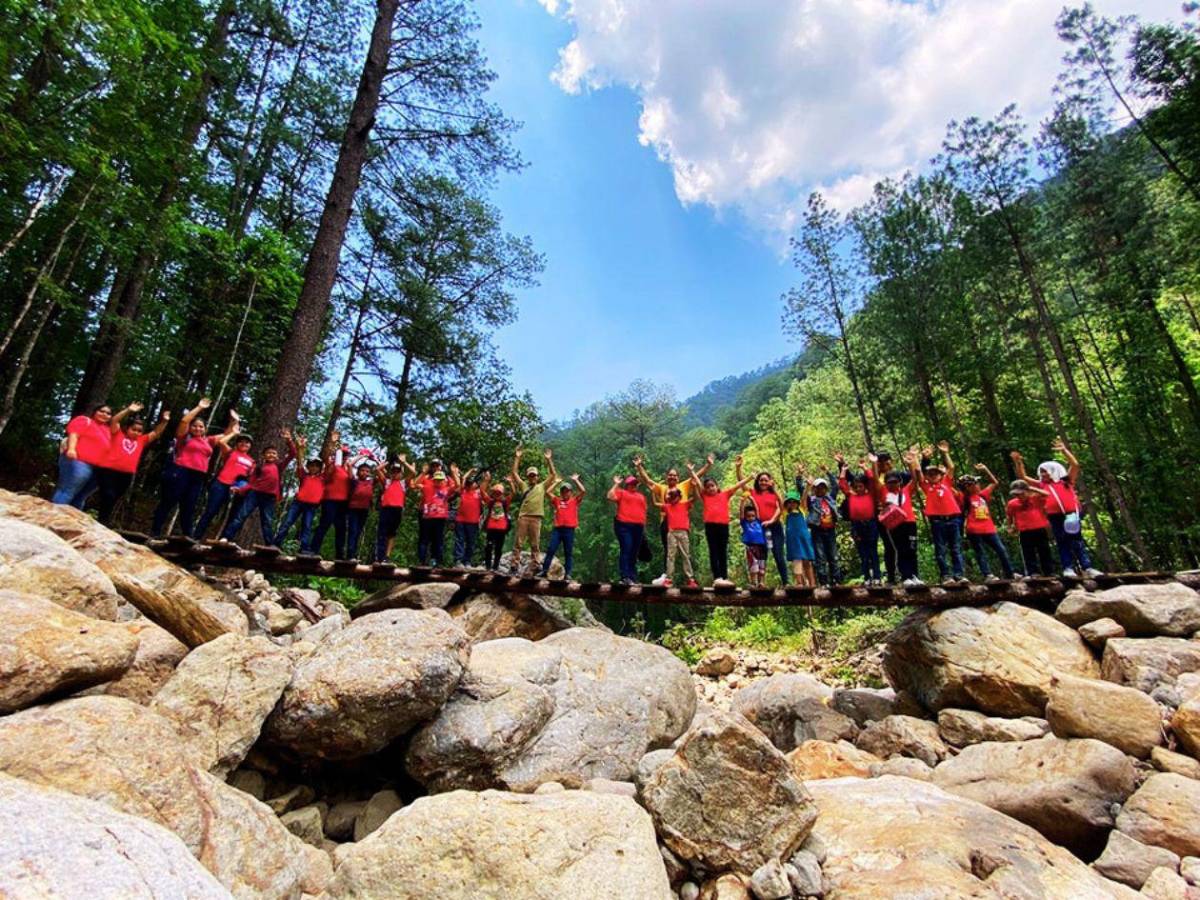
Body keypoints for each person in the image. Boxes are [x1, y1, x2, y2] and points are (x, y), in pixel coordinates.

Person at [1013, 441, 1103, 578]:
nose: (1042, 474)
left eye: (1045, 471)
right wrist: (1018, 463)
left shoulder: (1066, 481)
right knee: (1062, 541)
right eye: (1041, 472)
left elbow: (1075, 465)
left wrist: (1064, 451)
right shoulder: (1041, 485)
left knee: (1076, 540)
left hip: (1071, 514)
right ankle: (1068, 568)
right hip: (1055, 516)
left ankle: (1087, 567)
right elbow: (1023, 477)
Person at [151, 398, 232, 537]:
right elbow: (184, 421)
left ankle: (188, 536)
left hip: (198, 476)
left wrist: (234, 422)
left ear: (205, 429)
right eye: (195, 426)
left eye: (201, 427)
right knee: (169, 501)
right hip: (181, 471)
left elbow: (226, 434)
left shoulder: (208, 441)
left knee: (189, 506)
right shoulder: (184, 437)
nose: (198, 428)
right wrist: (199, 407)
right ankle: (155, 532)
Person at [636, 455, 712, 584]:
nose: (672, 477)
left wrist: (708, 465)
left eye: (675, 475)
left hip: (682, 522)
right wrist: (639, 466)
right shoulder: (662, 488)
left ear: (678, 478)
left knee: (684, 551)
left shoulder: (684, 485)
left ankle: (688, 578)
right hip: (666, 521)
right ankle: (667, 576)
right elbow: (647, 480)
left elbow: (697, 475)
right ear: (667, 477)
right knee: (668, 549)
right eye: (670, 475)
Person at [219, 430, 298, 546]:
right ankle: (226, 537)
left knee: (267, 521)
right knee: (241, 516)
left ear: (277, 456)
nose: (271, 455)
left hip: (269, 497)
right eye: (268, 453)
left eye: (274, 453)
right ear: (264, 455)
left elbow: (293, 454)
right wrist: (240, 490)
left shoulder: (279, 466)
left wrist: (289, 440)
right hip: (254, 494)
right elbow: (251, 483)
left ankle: (269, 545)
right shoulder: (259, 467)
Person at [94, 406, 171, 525]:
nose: (136, 432)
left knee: (114, 497)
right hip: (108, 470)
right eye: (133, 429)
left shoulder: (141, 440)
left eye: (139, 431)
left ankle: (103, 520)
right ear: (127, 428)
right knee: (108, 494)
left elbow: (156, 432)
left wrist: (165, 421)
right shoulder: (117, 434)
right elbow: (114, 420)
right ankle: (102, 519)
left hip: (126, 474)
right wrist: (128, 410)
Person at [689, 457, 752, 587]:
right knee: (713, 550)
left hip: (723, 525)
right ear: (705, 489)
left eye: (712, 486)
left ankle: (724, 577)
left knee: (723, 551)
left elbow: (737, 485)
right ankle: (717, 577)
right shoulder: (705, 496)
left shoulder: (724, 494)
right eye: (708, 487)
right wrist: (692, 471)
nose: (710, 488)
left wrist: (750, 478)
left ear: (717, 486)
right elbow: (697, 483)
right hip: (710, 526)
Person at [914, 440, 965, 584]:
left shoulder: (946, 483)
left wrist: (945, 453)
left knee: (956, 548)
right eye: (930, 474)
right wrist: (916, 457)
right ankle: (946, 576)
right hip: (937, 521)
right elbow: (918, 472)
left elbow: (951, 467)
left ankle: (959, 575)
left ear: (940, 475)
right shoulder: (926, 486)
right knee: (941, 549)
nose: (933, 476)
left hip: (953, 519)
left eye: (936, 473)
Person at [52, 402, 119, 508]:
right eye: (101, 411)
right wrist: (71, 449)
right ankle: (54, 514)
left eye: (108, 413)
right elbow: (74, 434)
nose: (104, 414)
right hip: (78, 460)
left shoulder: (107, 430)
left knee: (81, 496)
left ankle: (69, 521)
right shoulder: (84, 420)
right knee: (68, 490)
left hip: (97, 467)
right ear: (94, 412)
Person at [192, 428, 255, 539]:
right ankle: (196, 537)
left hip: (236, 489)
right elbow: (221, 442)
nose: (244, 443)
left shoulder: (252, 461)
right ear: (237, 443)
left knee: (231, 515)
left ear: (250, 445)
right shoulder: (231, 452)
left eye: (247, 442)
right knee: (210, 511)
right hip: (221, 484)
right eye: (241, 441)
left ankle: (224, 539)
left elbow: (251, 477)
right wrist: (234, 433)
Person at [958, 463, 1015, 581]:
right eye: (975, 483)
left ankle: (1010, 573)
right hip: (974, 530)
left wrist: (986, 469)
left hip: (989, 529)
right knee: (980, 552)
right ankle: (987, 574)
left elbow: (994, 483)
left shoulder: (982, 495)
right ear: (968, 487)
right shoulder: (964, 498)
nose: (978, 485)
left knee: (1001, 550)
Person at [735, 459, 788, 585]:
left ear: (770, 482)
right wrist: (738, 468)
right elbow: (741, 483)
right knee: (761, 555)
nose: (763, 482)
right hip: (759, 529)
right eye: (761, 480)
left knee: (778, 554)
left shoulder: (774, 494)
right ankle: (759, 583)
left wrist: (771, 520)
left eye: (765, 480)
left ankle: (786, 582)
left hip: (775, 527)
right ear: (757, 482)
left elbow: (781, 507)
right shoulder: (753, 493)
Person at [510, 446, 557, 574]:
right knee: (518, 542)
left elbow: (553, 475)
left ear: (537, 476)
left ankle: (535, 564)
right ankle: (514, 564)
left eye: (534, 476)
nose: (532, 477)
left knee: (535, 544)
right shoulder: (524, 485)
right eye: (530, 476)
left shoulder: (542, 486)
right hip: (524, 517)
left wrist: (549, 460)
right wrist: (517, 458)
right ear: (528, 476)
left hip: (536, 518)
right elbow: (514, 473)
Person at [837, 454, 882, 586]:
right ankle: (867, 577)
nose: (858, 489)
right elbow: (842, 484)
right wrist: (844, 470)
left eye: (860, 486)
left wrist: (865, 468)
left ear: (864, 486)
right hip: (857, 526)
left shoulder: (871, 494)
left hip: (871, 524)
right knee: (863, 553)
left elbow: (873, 480)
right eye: (855, 487)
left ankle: (877, 577)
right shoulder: (851, 496)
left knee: (873, 551)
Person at [274, 439, 323, 552]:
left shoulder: (322, 478)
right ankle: (277, 543)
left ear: (320, 468)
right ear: (308, 467)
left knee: (307, 526)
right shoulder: (304, 475)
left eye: (316, 466)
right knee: (287, 522)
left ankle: (304, 548)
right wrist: (301, 448)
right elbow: (300, 462)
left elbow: (329, 465)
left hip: (312, 506)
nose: (314, 468)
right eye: (311, 465)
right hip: (298, 503)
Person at [310, 431, 352, 558]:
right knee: (324, 524)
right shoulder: (332, 465)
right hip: (330, 500)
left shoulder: (347, 469)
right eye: (343, 454)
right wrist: (333, 442)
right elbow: (325, 456)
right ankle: (313, 550)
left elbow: (352, 481)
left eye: (346, 455)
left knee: (341, 528)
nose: (344, 456)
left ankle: (340, 555)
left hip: (343, 502)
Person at [883, 453, 921, 586]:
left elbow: (915, 480)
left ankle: (915, 575)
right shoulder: (885, 494)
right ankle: (906, 576)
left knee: (912, 549)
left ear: (899, 482)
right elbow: (875, 480)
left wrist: (910, 464)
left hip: (910, 523)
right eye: (890, 482)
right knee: (901, 549)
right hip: (895, 525)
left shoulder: (905, 491)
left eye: (895, 482)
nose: (893, 484)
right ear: (886, 484)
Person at [412, 461, 458, 566]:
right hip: (426, 513)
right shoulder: (427, 480)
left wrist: (453, 473)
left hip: (440, 515)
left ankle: (436, 561)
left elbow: (457, 487)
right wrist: (423, 473)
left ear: (441, 467)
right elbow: (414, 485)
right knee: (424, 538)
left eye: (437, 465)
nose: (435, 467)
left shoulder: (446, 480)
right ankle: (422, 562)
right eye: (433, 465)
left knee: (437, 539)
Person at [1006, 478, 1055, 576]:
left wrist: (1031, 488)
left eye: (1021, 493)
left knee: (1044, 551)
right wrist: (1009, 527)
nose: (1019, 496)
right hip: (1025, 531)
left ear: (1027, 491)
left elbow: (1047, 494)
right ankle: (1033, 572)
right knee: (1028, 553)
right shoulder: (1012, 504)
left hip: (1039, 529)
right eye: (1016, 494)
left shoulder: (1036, 498)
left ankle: (1049, 572)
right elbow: (1009, 515)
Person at [541, 474, 585, 578]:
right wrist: (556, 482)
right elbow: (547, 492)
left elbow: (583, 491)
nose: (565, 493)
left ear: (571, 492)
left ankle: (568, 574)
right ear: (561, 492)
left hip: (569, 530)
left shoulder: (574, 501)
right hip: (558, 529)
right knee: (551, 549)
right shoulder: (557, 500)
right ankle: (544, 570)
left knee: (568, 552)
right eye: (563, 491)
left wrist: (576, 480)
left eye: (567, 491)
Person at [375, 455, 417, 563]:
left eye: (398, 471)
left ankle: (387, 557)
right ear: (390, 472)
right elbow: (377, 469)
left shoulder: (403, 483)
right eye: (393, 471)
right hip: (386, 509)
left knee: (391, 533)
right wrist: (390, 461)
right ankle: (379, 556)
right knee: (381, 533)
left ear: (401, 473)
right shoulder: (387, 482)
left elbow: (413, 473)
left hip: (397, 510)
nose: (395, 473)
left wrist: (404, 462)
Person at [655, 486, 698, 588]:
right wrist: (654, 492)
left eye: (675, 495)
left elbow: (696, 497)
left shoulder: (684, 504)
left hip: (683, 532)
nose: (672, 497)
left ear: (679, 497)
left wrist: (695, 486)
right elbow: (655, 503)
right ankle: (669, 579)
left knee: (685, 555)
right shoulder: (667, 506)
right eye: (671, 495)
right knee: (670, 556)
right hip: (672, 533)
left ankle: (690, 579)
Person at [608, 473, 647, 585]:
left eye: (635, 484)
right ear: (627, 485)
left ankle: (632, 577)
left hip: (638, 527)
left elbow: (644, 512)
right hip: (624, 525)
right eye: (631, 484)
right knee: (627, 548)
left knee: (634, 552)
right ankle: (624, 576)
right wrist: (616, 484)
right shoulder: (622, 493)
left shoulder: (641, 496)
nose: (633, 485)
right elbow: (610, 496)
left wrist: (644, 527)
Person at [806, 473, 840, 586]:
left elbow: (836, 486)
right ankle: (823, 582)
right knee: (820, 557)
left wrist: (828, 472)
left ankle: (836, 581)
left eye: (823, 487)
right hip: (817, 531)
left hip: (830, 531)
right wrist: (801, 479)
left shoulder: (830, 498)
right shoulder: (812, 500)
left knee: (833, 556)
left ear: (826, 489)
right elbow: (803, 493)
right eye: (818, 487)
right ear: (814, 489)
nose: (820, 489)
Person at [782, 476, 815, 587]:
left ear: (797, 502)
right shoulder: (785, 513)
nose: (791, 504)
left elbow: (804, 497)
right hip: (793, 540)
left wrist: (808, 486)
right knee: (797, 561)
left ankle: (812, 584)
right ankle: (799, 582)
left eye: (794, 501)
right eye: (789, 502)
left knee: (807, 562)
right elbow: (778, 500)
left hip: (804, 538)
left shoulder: (802, 510)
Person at [453, 468, 489, 567]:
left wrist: (486, 479)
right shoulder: (463, 491)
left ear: (476, 484)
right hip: (460, 520)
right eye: (469, 483)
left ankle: (467, 560)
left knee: (471, 542)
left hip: (473, 522)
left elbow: (484, 486)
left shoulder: (479, 493)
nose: (470, 484)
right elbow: (463, 478)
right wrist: (471, 470)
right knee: (459, 540)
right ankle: (458, 560)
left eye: (472, 483)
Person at [345, 459, 379, 561]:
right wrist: (362, 455)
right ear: (358, 472)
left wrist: (375, 460)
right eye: (362, 470)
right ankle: (350, 554)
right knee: (353, 531)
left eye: (367, 471)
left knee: (358, 532)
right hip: (353, 509)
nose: (365, 473)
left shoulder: (371, 482)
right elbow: (350, 465)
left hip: (364, 510)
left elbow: (379, 471)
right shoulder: (354, 481)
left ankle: (353, 555)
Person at [482, 482, 512, 571]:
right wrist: (487, 480)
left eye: (499, 493)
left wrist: (510, 483)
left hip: (501, 529)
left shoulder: (505, 502)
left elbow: (513, 492)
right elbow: (482, 491)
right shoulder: (490, 502)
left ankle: (495, 566)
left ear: (502, 494)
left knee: (498, 548)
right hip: (491, 528)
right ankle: (488, 566)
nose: (497, 495)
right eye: (495, 493)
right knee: (488, 547)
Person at [740, 500, 769, 587]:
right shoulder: (744, 523)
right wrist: (743, 502)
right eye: (748, 516)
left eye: (753, 516)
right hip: (750, 546)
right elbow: (741, 511)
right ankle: (753, 582)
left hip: (762, 546)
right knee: (753, 564)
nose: (751, 517)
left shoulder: (758, 521)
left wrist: (752, 499)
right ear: (745, 516)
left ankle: (762, 582)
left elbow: (757, 509)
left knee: (762, 565)